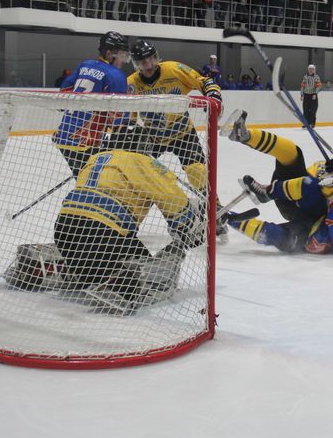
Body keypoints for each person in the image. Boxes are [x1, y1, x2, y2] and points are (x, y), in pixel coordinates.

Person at [15, 128, 205, 315]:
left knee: (85, 254)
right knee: (145, 265)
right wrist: (190, 224)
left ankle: (48, 266)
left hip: (64, 229)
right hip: (104, 233)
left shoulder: (96, 157)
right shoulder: (142, 160)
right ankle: (119, 283)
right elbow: (170, 196)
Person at [221, 112, 333, 258]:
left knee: (278, 236)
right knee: (293, 154)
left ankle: (227, 217)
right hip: (299, 197)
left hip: (309, 230)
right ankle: (244, 135)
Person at [127, 39, 222, 194]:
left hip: (183, 133)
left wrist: (214, 97)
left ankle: (214, 207)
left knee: (197, 171)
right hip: (153, 136)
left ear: (156, 57)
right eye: (143, 62)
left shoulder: (174, 69)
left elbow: (204, 82)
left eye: (151, 58)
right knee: (135, 170)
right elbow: (128, 116)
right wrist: (128, 129)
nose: (149, 64)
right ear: (136, 64)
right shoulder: (131, 83)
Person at [53, 31, 131, 177]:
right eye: (121, 55)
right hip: (88, 143)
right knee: (101, 184)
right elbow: (118, 122)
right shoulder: (117, 75)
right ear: (109, 54)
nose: (124, 61)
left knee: (84, 180)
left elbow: (63, 95)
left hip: (63, 137)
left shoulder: (85, 65)